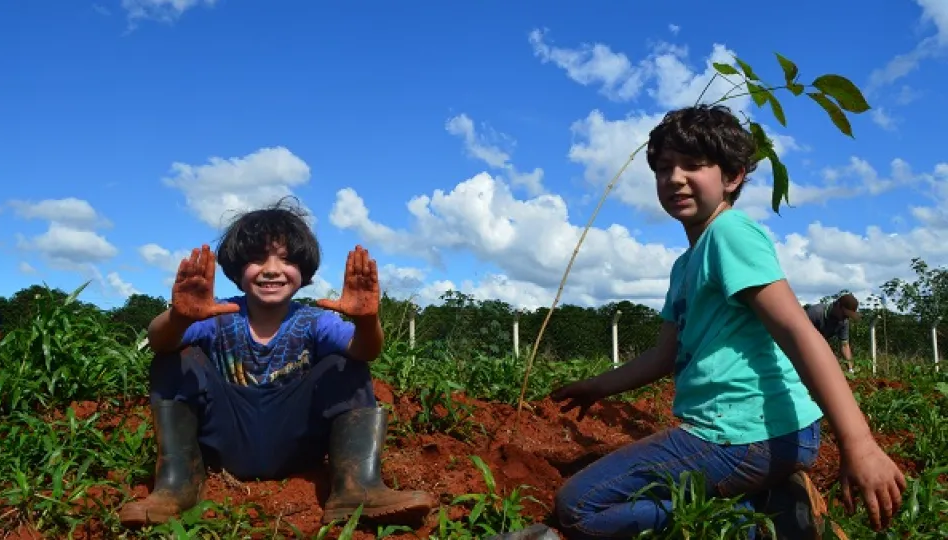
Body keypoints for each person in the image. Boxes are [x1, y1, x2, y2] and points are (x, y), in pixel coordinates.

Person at [503, 105, 906, 540]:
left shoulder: (728, 234)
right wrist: (597, 386)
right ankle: (770, 499)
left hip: (747, 434)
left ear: (732, 177)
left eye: (693, 165)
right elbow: (665, 355)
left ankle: (765, 526)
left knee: (581, 506)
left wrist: (859, 444)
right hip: (756, 435)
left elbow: (797, 331)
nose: (673, 178)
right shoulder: (684, 265)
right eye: (662, 168)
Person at [118, 200, 435, 527]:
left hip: (295, 446)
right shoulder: (217, 314)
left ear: (303, 271)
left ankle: (357, 488)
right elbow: (159, 341)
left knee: (346, 364)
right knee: (175, 357)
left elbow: (365, 351)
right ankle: (177, 486)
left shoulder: (315, 321)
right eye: (257, 259)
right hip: (224, 441)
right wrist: (178, 318)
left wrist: (368, 322)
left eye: (286, 259)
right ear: (238, 270)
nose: (271, 269)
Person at [805, 294, 860, 373]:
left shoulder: (843, 322)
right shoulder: (815, 313)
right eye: (844, 315)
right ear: (838, 305)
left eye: (847, 317)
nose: (845, 318)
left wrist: (850, 369)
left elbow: (844, 345)